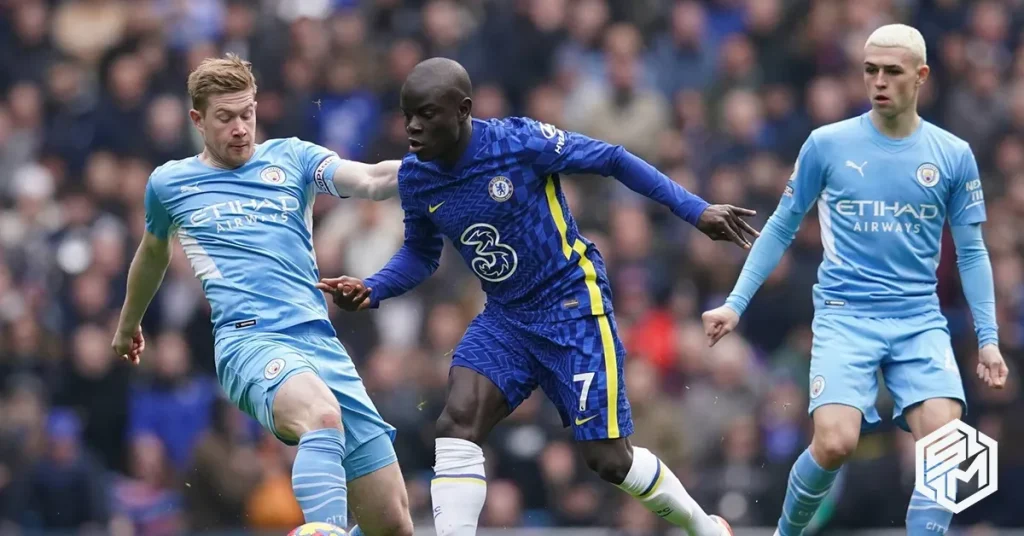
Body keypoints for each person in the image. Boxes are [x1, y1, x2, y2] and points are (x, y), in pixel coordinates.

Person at [320, 57, 757, 536]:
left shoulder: (519, 143)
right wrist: (373, 286)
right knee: (456, 421)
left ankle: (708, 529)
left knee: (609, 461)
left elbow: (611, 158)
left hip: (572, 307)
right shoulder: (417, 178)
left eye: (427, 114)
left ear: (464, 110)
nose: (413, 128)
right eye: (407, 115)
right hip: (507, 318)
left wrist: (696, 211)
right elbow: (421, 256)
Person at [700, 24, 1009, 536]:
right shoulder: (827, 144)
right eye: (870, 71)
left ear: (921, 76)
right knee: (835, 442)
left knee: (947, 441)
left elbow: (973, 251)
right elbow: (780, 225)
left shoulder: (952, 154)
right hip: (847, 317)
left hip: (918, 319)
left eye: (892, 71)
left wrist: (989, 340)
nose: (879, 81)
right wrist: (735, 304)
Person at [111, 54, 414, 536]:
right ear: (197, 120)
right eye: (225, 117)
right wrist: (128, 325)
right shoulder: (170, 183)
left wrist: (443, 164)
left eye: (247, 113)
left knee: (392, 524)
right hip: (249, 343)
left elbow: (372, 179)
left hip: (321, 345)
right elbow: (152, 254)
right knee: (321, 414)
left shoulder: (292, 158)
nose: (240, 128)